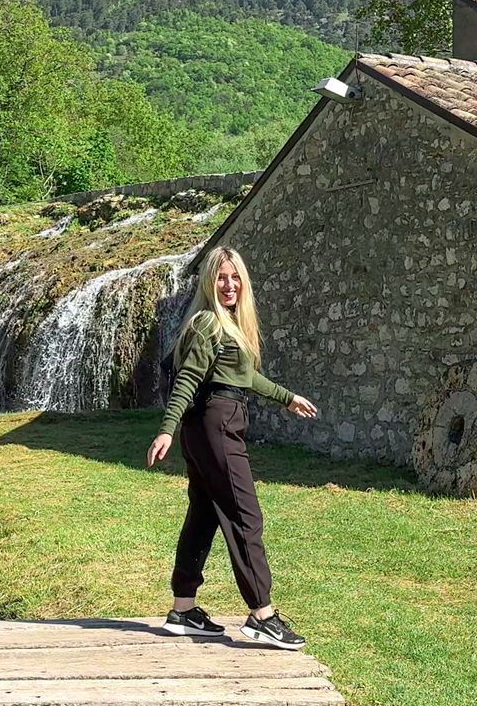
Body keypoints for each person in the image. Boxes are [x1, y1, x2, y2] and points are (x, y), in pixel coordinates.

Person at [146, 246, 318, 650]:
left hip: (209, 426)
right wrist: (166, 429)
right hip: (215, 426)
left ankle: (183, 609)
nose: (229, 284)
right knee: (245, 516)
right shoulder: (208, 323)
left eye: (235, 277)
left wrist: (287, 397)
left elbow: (245, 377)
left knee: (204, 514)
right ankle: (263, 615)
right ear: (209, 281)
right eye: (221, 277)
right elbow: (188, 379)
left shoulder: (228, 326)